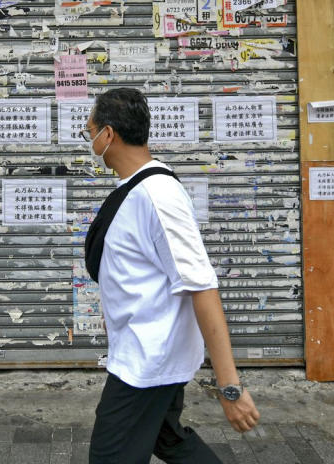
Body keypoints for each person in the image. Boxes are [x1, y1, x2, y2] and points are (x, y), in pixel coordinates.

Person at [83, 87, 260, 464]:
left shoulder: (157, 194)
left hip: (148, 361)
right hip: (145, 350)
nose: (90, 141)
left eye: (90, 132)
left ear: (109, 135)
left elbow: (202, 286)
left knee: (109, 455)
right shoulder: (135, 189)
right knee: (169, 439)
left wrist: (230, 388)